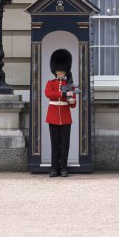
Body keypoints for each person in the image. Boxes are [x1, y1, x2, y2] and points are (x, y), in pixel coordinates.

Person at [45, 49, 76, 178]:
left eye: (62, 71)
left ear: (65, 71)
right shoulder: (50, 83)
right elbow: (49, 94)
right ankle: (54, 168)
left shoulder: (69, 84)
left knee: (64, 144)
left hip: (65, 117)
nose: (60, 73)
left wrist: (72, 100)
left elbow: (73, 105)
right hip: (52, 117)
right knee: (54, 144)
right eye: (58, 71)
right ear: (55, 71)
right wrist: (63, 94)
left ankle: (63, 168)